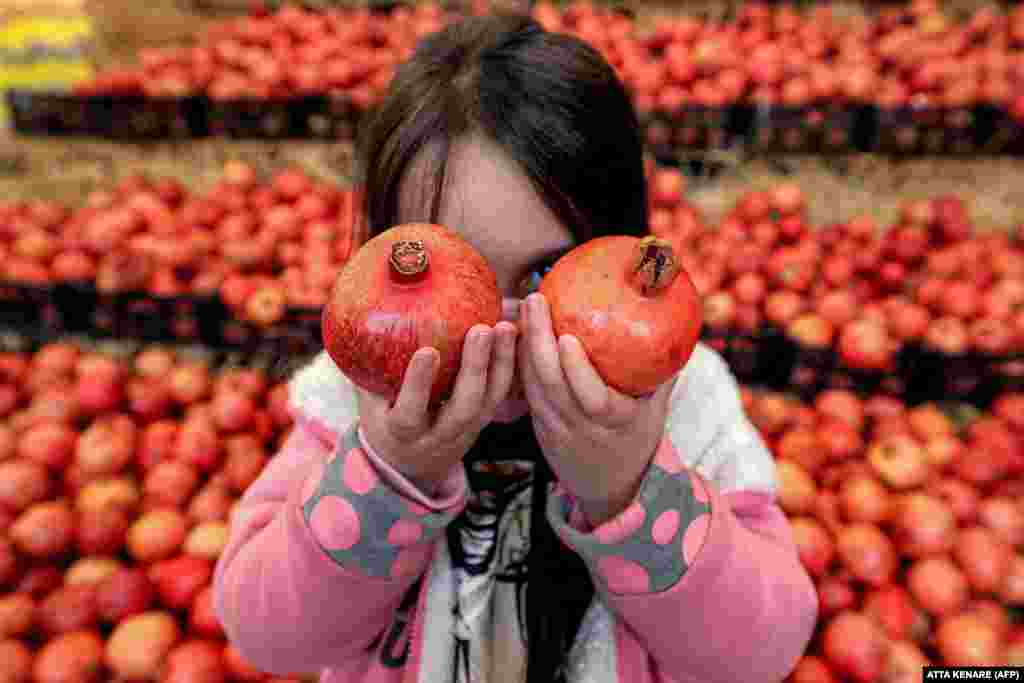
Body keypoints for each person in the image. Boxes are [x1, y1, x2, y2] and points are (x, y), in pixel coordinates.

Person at [214, 13, 818, 683]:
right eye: (451, 271)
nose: (496, 331)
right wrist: (391, 473)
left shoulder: (678, 403)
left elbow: (764, 652)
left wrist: (628, 488)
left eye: (543, 276)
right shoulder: (357, 402)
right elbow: (266, 634)